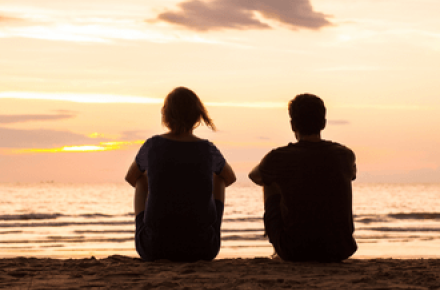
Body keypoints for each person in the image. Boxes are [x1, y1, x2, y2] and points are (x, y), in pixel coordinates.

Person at [125, 87, 236, 262]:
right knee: (219, 178)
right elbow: (230, 178)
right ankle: (211, 230)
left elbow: (131, 177)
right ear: (197, 116)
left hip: (154, 248)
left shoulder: (152, 146)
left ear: (166, 116)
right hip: (202, 248)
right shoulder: (208, 149)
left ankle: (146, 231)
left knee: (141, 179)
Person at [249, 93, 357, 262]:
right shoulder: (345, 154)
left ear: (293, 125)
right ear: (323, 123)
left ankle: (277, 251)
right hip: (341, 249)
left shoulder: (279, 157)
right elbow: (352, 175)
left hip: (295, 250)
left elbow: (255, 176)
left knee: (268, 179)